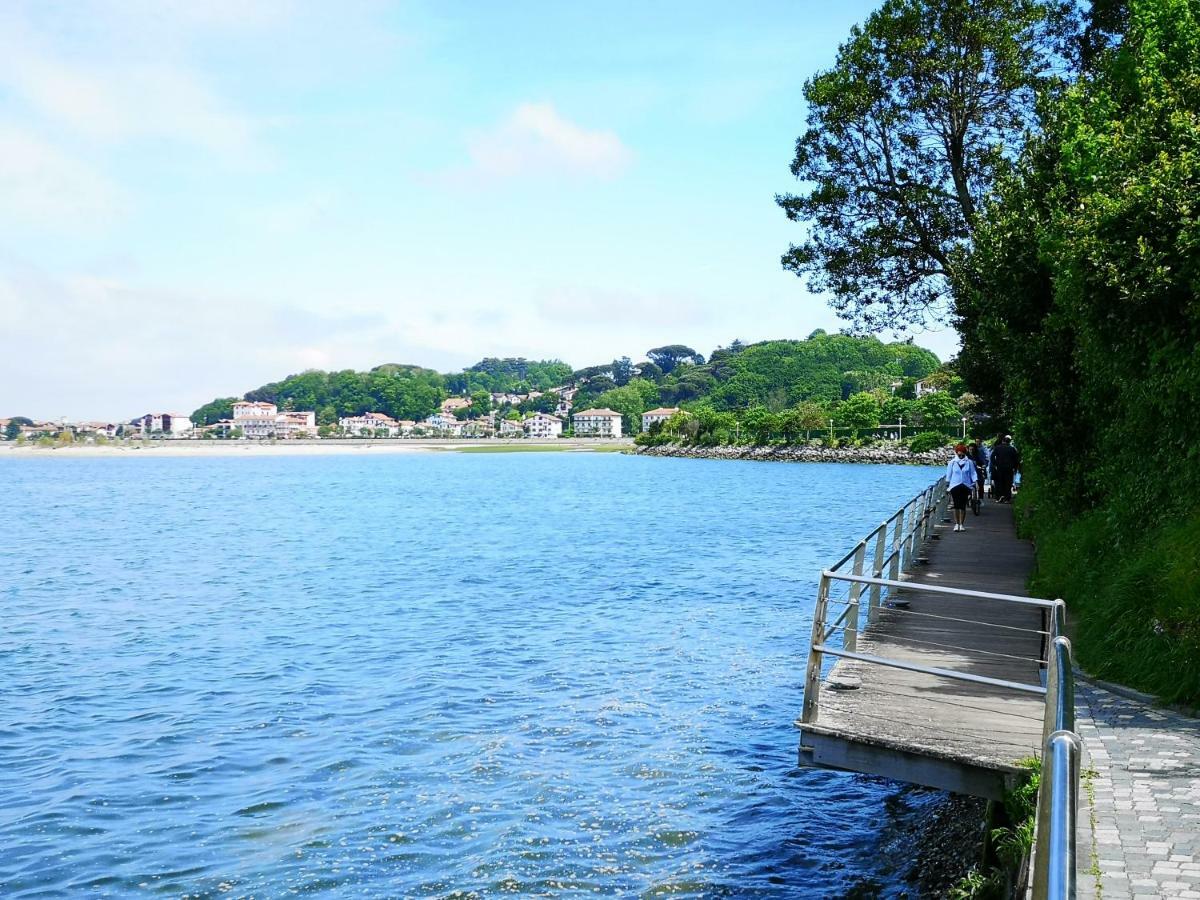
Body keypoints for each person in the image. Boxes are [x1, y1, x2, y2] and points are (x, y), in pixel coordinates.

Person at [946, 443, 977, 531]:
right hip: (955, 486)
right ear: (956, 453)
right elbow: (949, 475)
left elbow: (973, 473)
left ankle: (961, 524)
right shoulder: (952, 463)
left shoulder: (969, 462)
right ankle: (956, 524)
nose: (961, 455)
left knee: (963, 505)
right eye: (959, 454)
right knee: (956, 505)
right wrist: (947, 485)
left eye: (962, 454)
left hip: (965, 485)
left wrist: (976, 482)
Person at [989, 435, 1021, 503]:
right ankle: (1007, 498)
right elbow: (1016, 460)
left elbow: (992, 457)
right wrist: (1015, 468)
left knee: (999, 483)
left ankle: (999, 497)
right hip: (1009, 469)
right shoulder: (1012, 449)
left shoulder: (997, 448)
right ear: (1009, 442)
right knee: (1008, 483)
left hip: (999, 468)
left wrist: (995, 464)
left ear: (1003, 441)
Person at [967, 441, 988, 507]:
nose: (971, 451)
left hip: (977, 472)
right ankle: (968, 496)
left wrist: (983, 466)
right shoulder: (966, 456)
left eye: (972, 449)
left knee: (981, 483)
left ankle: (981, 499)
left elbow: (982, 462)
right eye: (970, 449)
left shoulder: (978, 456)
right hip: (969, 473)